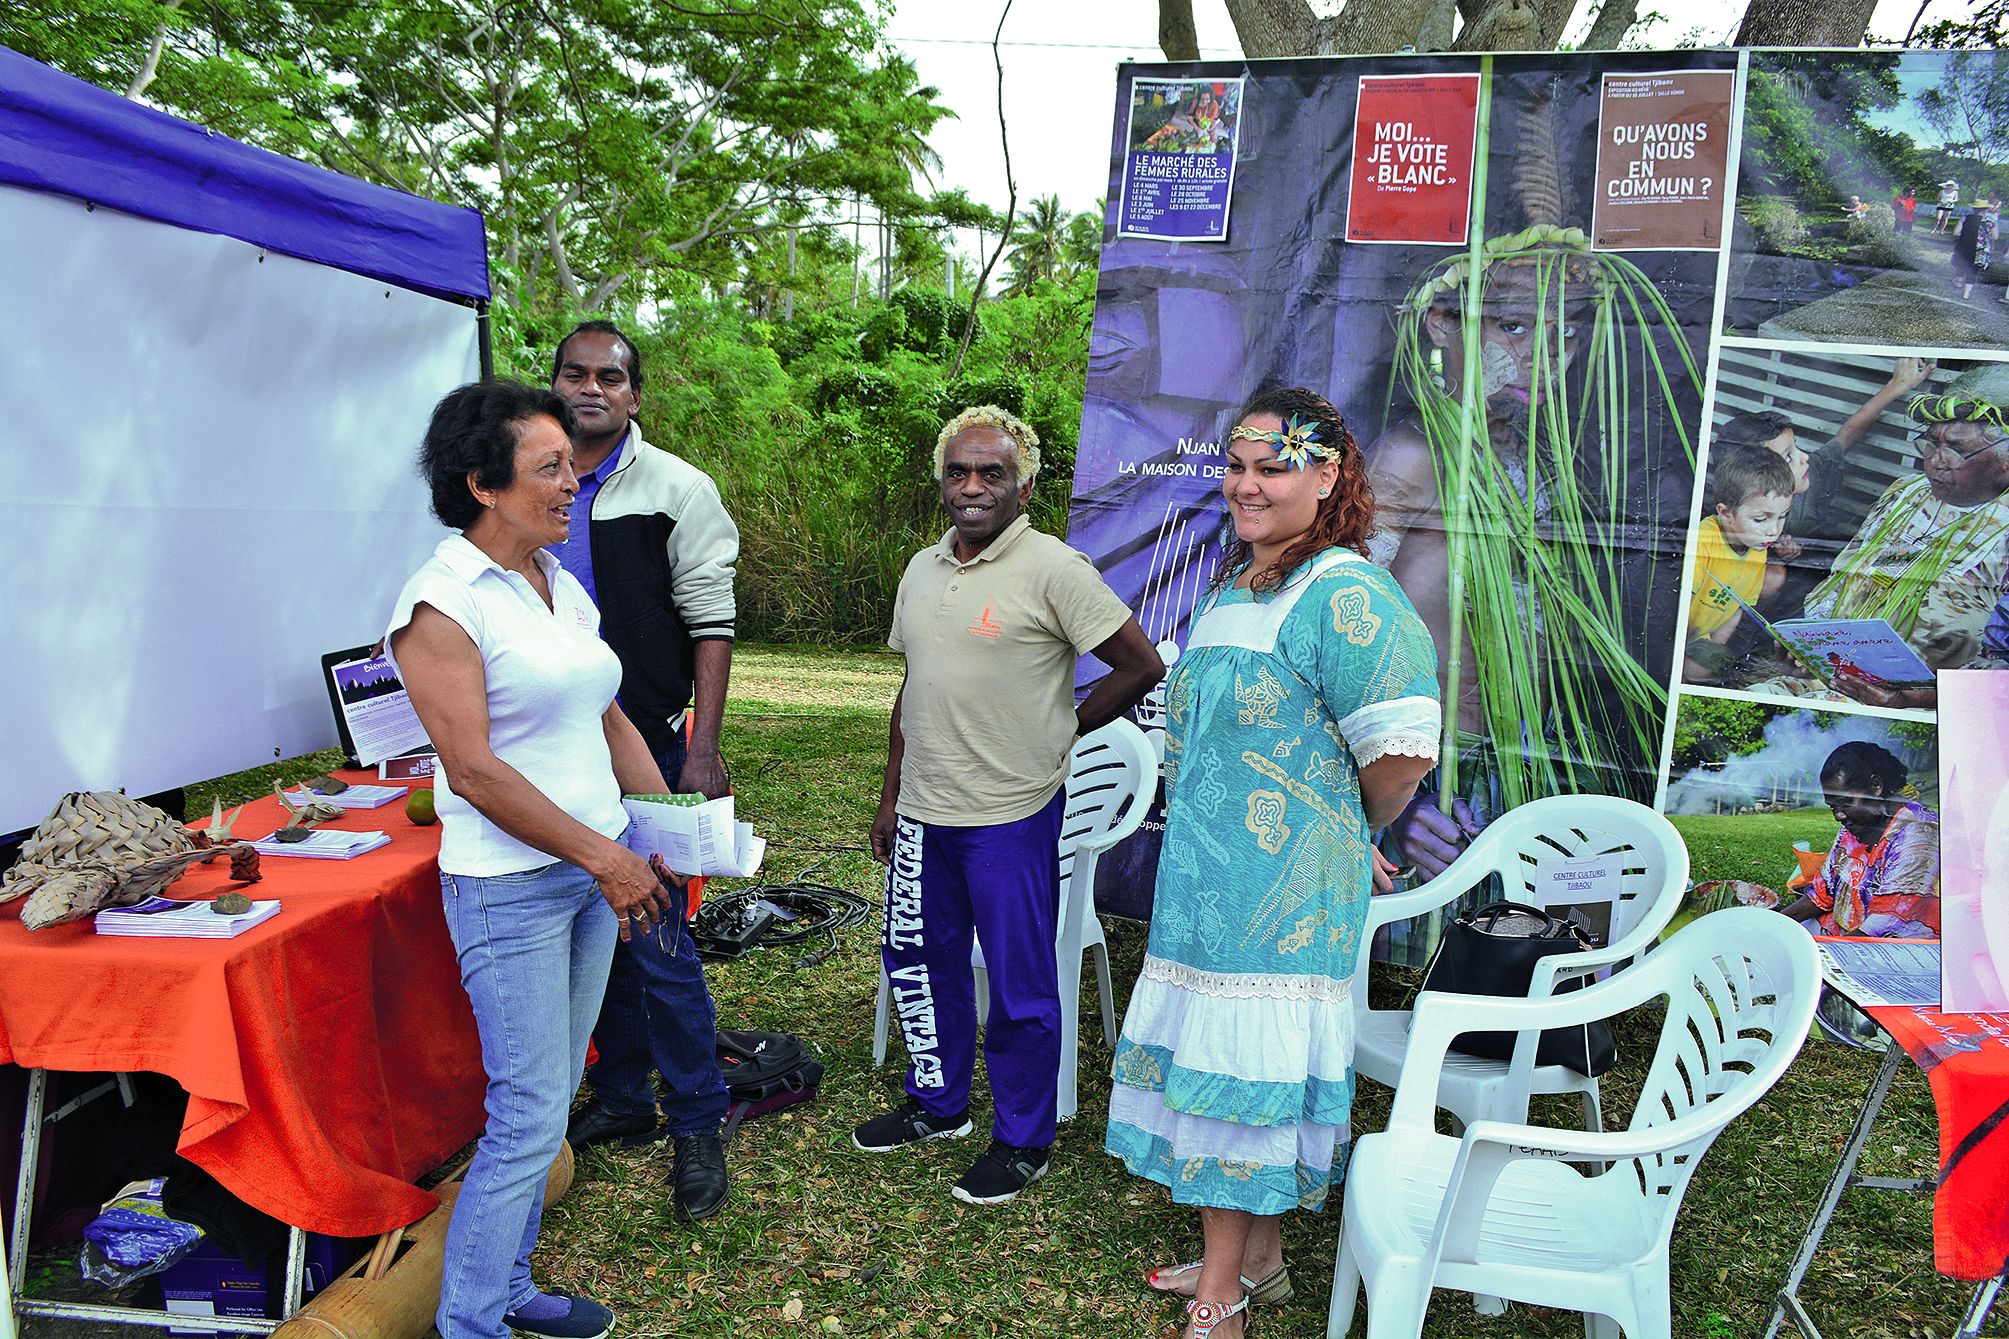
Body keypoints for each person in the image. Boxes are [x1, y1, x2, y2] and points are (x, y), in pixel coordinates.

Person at [1109, 386, 1440, 1339]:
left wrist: (1345, 828)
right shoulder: (1235, 587)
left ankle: (1221, 1297)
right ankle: (1259, 1259)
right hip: (1205, 887)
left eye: (1273, 467)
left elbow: (1402, 749)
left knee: (1239, 1078)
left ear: (1327, 474)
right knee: (1224, 1070)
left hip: (1282, 897)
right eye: (1238, 466)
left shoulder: (1344, 592)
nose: (1246, 486)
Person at [386, 382, 685, 1339]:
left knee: (550, 1099)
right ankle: (469, 1321)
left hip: (593, 872)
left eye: (572, 464)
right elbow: (471, 770)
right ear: (482, 483)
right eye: (549, 468)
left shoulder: (553, 581)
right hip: (511, 886)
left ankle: (507, 1288)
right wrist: (607, 854)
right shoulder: (442, 601)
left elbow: (605, 712)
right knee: (524, 1109)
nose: (572, 481)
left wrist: (663, 827)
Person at [856, 405, 1163, 1206]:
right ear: (941, 480)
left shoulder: (1054, 568)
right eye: (958, 470)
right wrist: (890, 794)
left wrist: (1068, 724)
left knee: (1021, 987)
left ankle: (1022, 1138)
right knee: (923, 965)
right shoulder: (922, 568)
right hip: (925, 810)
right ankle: (938, 1104)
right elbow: (913, 685)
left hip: (1009, 815)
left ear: (1024, 485)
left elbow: (1139, 664)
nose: (972, 486)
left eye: (991, 472)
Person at [543, 321, 735, 1221]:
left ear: (634, 394)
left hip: (647, 745)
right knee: (589, 932)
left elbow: (710, 619)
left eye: (609, 377)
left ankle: (699, 1119)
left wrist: (699, 743)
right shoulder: (524, 479)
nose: (591, 388)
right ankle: (621, 1096)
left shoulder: (675, 488)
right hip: (545, 758)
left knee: (657, 937)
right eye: (575, 374)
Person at [1801, 362, 2009, 690]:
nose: (1936, 460)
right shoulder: (1905, 493)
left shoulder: (2003, 532)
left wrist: (1911, 701)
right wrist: (1806, 643)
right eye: (1932, 442)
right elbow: (1840, 579)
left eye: (1957, 449)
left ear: (2005, 462)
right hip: (1829, 674)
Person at [1781, 741, 1940, 937]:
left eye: (1846, 803)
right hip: (1848, 936)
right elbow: (1823, 892)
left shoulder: (1919, 834)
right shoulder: (1858, 823)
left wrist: (1829, 956)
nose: (1838, 816)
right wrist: (1773, 923)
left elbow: (1887, 925)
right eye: (1833, 808)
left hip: (1892, 949)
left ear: (1876, 786)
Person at [1685, 445, 1794, 683]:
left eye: (1783, 516)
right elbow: (1677, 606)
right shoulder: (1704, 540)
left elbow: (1736, 609)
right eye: (1760, 519)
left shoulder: (1757, 544)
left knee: (1712, 666)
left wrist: (1715, 647)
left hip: (1700, 638)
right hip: (1673, 633)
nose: (1773, 531)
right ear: (1726, 514)